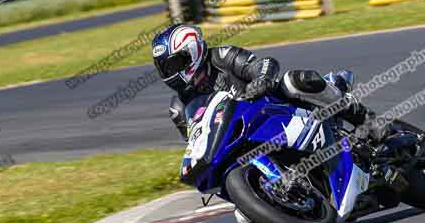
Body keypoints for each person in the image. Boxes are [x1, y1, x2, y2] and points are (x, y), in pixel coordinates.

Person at [151, 24, 374, 142]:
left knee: (295, 81)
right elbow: (195, 143)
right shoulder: (178, 108)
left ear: (194, 51)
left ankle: (364, 118)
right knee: (245, 217)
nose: (172, 72)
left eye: (176, 63)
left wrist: (261, 80)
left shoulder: (221, 56)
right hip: (245, 137)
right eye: (166, 68)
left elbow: (264, 63)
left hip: (277, 109)